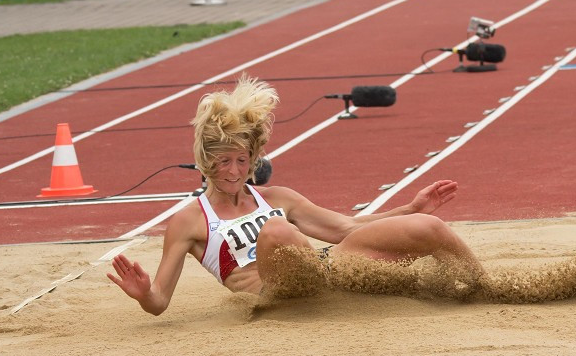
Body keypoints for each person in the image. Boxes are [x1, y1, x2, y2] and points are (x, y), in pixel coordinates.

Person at [107, 77, 487, 313]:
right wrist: (143, 295)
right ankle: (325, 283)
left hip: (327, 270)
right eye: (224, 162)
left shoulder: (276, 196)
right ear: (206, 160)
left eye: (243, 160)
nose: (236, 172)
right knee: (275, 231)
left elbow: (345, 228)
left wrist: (410, 207)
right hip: (273, 294)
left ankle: (484, 286)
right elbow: (160, 301)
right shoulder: (190, 220)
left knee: (427, 226)